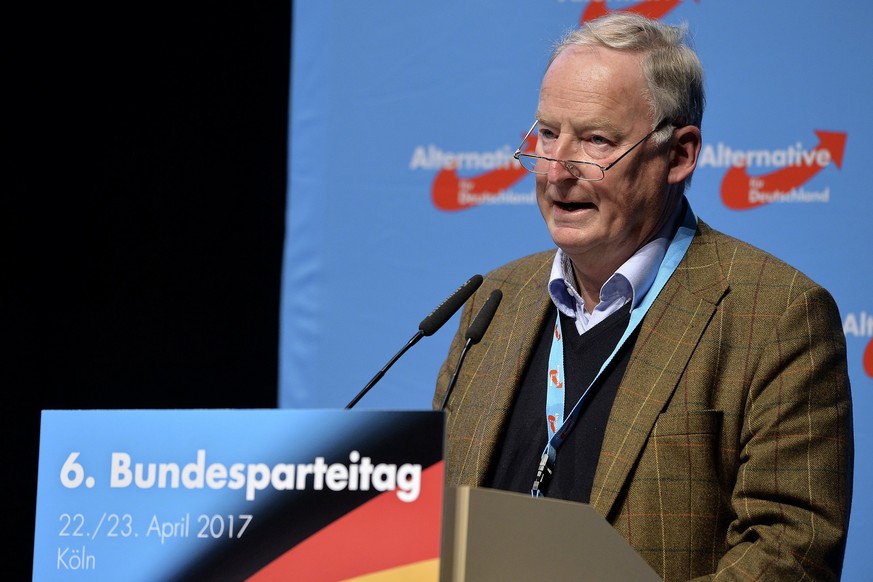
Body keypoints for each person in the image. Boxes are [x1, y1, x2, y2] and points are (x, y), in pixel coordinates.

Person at [433, 12, 853, 581]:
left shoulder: (777, 316)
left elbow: (790, 555)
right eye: (548, 134)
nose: (556, 170)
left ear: (679, 155)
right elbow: (429, 520)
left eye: (596, 140)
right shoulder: (494, 303)